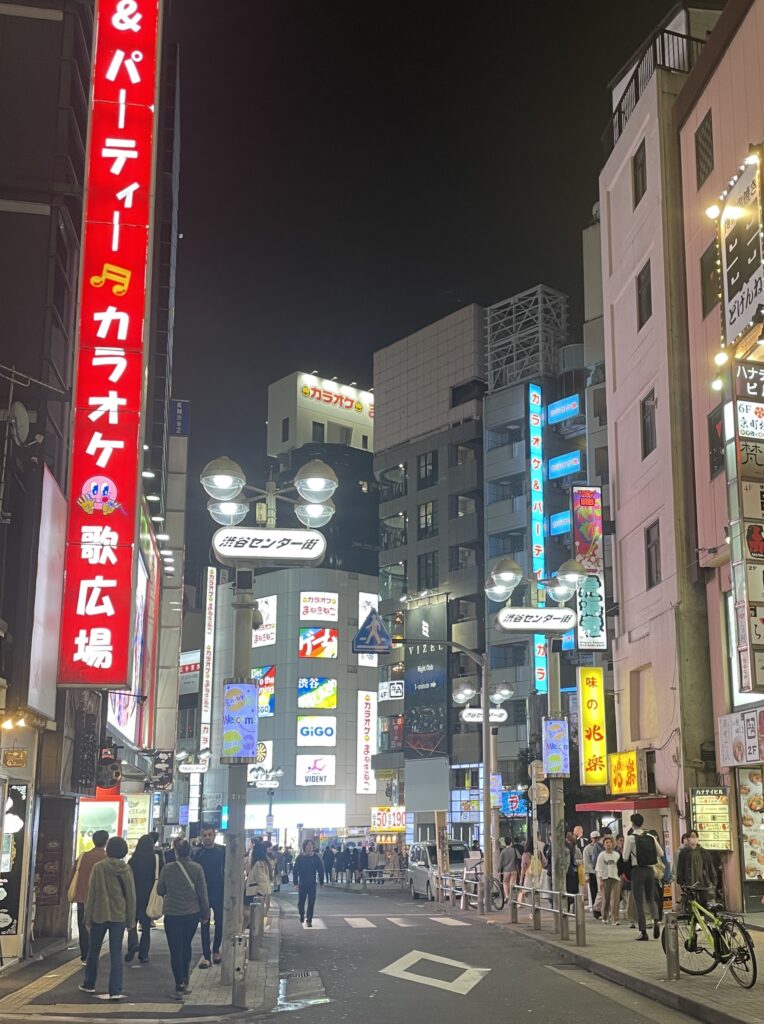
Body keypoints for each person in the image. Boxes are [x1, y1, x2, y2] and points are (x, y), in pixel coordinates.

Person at [79, 836, 136, 1002]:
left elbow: (91, 894)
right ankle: (115, 989)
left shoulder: (99, 868)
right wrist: (130, 920)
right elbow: (131, 897)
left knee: (94, 951)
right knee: (116, 952)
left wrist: (87, 918)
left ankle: (89, 984)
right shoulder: (126, 869)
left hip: (99, 915)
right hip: (119, 917)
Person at [157, 838, 210, 1001]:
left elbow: (160, 890)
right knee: (186, 945)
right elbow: (202, 893)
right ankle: (186, 978)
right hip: (191, 914)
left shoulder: (168, 868)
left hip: (172, 914)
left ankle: (179, 984)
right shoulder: (197, 868)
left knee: (175, 949)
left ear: (176, 852)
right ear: (190, 852)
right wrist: (205, 913)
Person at [68, 829, 108, 964]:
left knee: (83, 925)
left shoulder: (83, 856)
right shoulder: (106, 858)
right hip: (100, 900)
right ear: (106, 841)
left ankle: (85, 954)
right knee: (97, 926)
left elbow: (73, 873)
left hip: (82, 897)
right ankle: (94, 953)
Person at [621, 813, 663, 941]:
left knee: (639, 902)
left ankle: (643, 931)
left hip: (637, 871)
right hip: (650, 871)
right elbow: (660, 853)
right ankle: (656, 919)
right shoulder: (650, 836)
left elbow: (625, 857)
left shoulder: (630, 838)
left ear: (633, 824)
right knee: (651, 899)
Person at [125, 833, 163, 964]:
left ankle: (133, 944)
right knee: (146, 927)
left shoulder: (132, 860)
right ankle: (144, 954)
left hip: (134, 895)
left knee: (132, 923)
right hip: (149, 896)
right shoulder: (155, 859)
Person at [192, 825, 225, 968]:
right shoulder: (197, 853)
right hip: (203, 892)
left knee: (220, 922)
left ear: (214, 835)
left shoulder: (222, 851)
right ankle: (206, 955)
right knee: (204, 923)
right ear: (201, 837)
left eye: (209, 835)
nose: (207, 838)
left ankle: (216, 950)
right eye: (204, 835)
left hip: (219, 890)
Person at [676, 829, 715, 904]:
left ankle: (702, 916)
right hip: (689, 884)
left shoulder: (704, 852)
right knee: (691, 905)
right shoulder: (684, 853)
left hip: (703, 883)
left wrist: (713, 880)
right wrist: (681, 882)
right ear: (688, 839)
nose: (693, 839)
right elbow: (680, 868)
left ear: (697, 838)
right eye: (691, 837)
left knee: (703, 904)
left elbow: (709, 867)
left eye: (695, 837)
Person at [293, 839, 325, 926]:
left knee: (311, 902)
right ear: (304, 847)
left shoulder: (316, 857)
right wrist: (295, 883)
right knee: (301, 902)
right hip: (302, 883)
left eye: (311, 845)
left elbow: (321, 870)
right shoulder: (300, 858)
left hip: (312, 883)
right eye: (308, 845)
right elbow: (295, 871)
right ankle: (301, 914)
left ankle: (309, 920)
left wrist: (322, 882)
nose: (310, 846)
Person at [595, 835, 621, 925]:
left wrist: (620, 876)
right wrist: (600, 880)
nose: (608, 844)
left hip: (616, 878)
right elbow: (599, 868)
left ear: (613, 844)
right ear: (604, 845)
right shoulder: (601, 855)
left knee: (615, 900)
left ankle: (615, 919)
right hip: (605, 878)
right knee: (606, 899)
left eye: (610, 842)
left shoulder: (617, 855)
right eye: (606, 843)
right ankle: (605, 916)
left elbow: (620, 867)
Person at [245, 842, 273, 923]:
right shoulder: (264, 862)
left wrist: (259, 894)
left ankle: (251, 930)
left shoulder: (259, 864)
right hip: (257, 893)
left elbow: (262, 880)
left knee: (247, 912)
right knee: (250, 913)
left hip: (254, 893)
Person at [583, 831, 603, 918]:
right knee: (594, 892)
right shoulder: (587, 849)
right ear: (591, 839)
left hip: (601, 872)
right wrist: (586, 874)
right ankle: (596, 912)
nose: (596, 840)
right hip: (592, 872)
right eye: (594, 838)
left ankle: (602, 910)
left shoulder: (602, 847)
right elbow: (586, 862)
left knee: (601, 892)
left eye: (597, 838)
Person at [498, 837, 519, 902]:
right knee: (512, 884)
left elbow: (500, 862)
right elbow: (519, 857)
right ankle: (512, 897)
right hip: (514, 869)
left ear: (505, 843)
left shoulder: (503, 851)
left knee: (505, 882)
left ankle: (507, 896)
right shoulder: (514, 850)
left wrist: (499, 869)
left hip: (506, 870)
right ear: (511, 842)